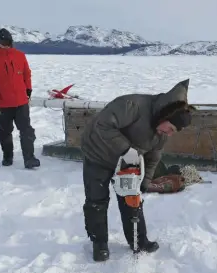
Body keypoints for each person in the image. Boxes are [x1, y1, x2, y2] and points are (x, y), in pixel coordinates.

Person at [80, 79, 195, 261]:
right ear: (165, 117)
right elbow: (103, 125)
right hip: (98, 154)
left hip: (127, 163)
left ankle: (138, 241)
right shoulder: (133, 106)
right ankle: (99, 243)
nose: (170, 134)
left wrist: (145, 181)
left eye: (174, 132)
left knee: (131, 200)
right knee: (97, 200)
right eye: (171, 128)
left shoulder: (161, 134)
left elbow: (153, 157)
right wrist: (126, 149)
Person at [0, 28, 40, 169]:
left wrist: (28, 90)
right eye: (3, 42)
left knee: (26, 130)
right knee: (5, 132)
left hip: (21, 101)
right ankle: (7, 156)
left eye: (8, 42)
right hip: (3, 103)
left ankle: (29, 159)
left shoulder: (20, 55)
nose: (6, 44)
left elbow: (26, 74)